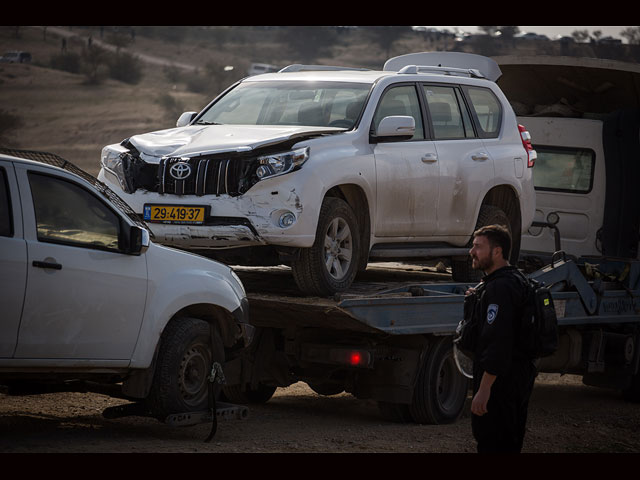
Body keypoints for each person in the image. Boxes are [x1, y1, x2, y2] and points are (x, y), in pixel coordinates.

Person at [466, 224, 538, 453]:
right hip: (515, 377)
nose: (471, 251)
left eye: (478, 246)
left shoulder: (500, 289)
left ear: (496, 252)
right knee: (509, 441)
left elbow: (499, 342)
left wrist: (485, 388)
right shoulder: (514, 280)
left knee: (494, 442)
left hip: (501, 383)